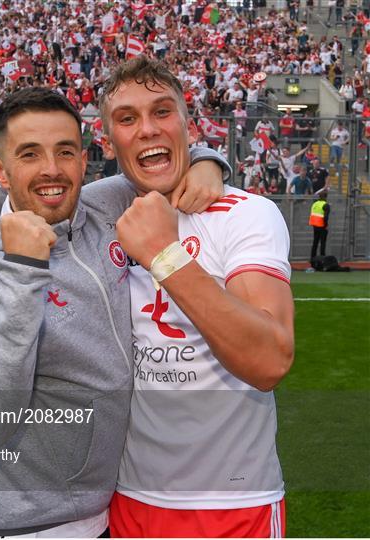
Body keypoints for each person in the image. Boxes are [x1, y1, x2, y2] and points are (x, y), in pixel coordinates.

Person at [0, 87, 230, 538]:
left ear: (84, 160)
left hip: (106, 512)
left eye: (65, 152)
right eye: (30, 154)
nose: (51, 170)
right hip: (24, 527)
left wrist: (208, 162)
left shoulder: (99, 206)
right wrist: (21, 271)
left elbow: (157, 159)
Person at [96, 56, 294, 538]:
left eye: (162, 112)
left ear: (189, 124)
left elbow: (269, 360)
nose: (147, 129)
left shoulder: (246, 213)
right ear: (108, 141)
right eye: (127, 119)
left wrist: (164, 255)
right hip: (128, 500)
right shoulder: (100, 212)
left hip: (233, 502)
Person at [309, 191, 330, 261]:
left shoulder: (315, 204)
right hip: (322, 225)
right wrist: (326, 225)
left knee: (315, 242)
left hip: (315, 225)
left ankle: (312, 258)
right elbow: (325, 217)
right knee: (322, 243)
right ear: (325, 197)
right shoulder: (326, 205)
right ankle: (322, 258)